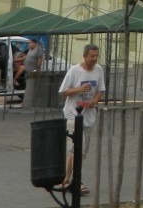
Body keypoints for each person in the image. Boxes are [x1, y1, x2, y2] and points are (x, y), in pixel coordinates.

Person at [58, 44, 105, 194]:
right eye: (92, 56)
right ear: (84, 56)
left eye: (96, 56)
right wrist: (79, 89)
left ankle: (66, 180)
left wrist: (95, 101)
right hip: (72, 114)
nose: (95, 59)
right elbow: (63, 91)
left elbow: (100, 90)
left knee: (80, 151)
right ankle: (76, 181)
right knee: (77, 148)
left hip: (88, 116)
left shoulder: (99, 69)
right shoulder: (74, 70)